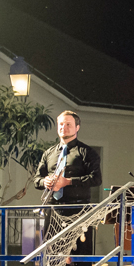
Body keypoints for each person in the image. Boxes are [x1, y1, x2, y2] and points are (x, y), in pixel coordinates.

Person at [34, 109, 101, 257]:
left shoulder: (87, 152)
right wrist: (45, 181)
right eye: (61, 124)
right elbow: (36, 179)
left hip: (78, 210)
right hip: (53, 211)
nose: (63, 127)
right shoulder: (49, 153)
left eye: (68, 124)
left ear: (77, 127)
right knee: (53, 258)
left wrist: (68, 182)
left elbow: (96, 179)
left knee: (81, 258)